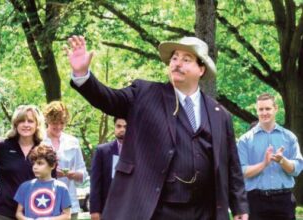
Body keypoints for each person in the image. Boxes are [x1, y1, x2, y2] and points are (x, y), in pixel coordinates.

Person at [66, 35, 249, 220]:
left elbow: (231, 165)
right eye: (175, 58)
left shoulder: (219, 113)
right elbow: (109, 99)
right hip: (156, 209)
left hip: (204, 211)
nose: (177, 63)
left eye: (186, 59)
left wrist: (240, 207)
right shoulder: (145, 94)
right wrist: (83, 76)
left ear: (201, 69)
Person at [237, 93, 303, 220]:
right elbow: (241, 171)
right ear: (256, 110)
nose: (264, 112)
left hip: (284, 200)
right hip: (255, 201)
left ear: (275, 109)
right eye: (261, 109)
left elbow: (297, 169)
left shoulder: (289, 137)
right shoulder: (245, 140)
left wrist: (282, 161)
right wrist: (264, 164)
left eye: (268, 108)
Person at [0, 105, 44, 220]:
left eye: (30, 121)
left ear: (37, 125)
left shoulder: (44, 150)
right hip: (4, 211)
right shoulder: (2, 146)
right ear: (15, 124)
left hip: (35, 211)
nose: (26, 125)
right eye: (22, 121)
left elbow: (52, 181)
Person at [43, 101, 88, 220]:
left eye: (62, 123)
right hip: (43, 202)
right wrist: (50, 173)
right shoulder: (39, 141)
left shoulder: (73, 142)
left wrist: (73, 174)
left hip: (69, 203)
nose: (58, 126)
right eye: (54, 123)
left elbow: (83, 173)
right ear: (47, 120)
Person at [14, 143, 71, 220]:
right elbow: (18, 213)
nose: (35, 167)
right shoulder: (25, 186)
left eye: (40, 163)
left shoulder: (61, 187)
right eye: (33, 164)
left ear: (52, 165)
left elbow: (67, 215)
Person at [89, 117, 127, 220]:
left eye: (125, 127)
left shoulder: (138, 152)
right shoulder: (102, 151)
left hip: (131, 207)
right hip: (107, 207)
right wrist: (95, 210)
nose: (122, 129)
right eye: (118, 126)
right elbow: (95, 182)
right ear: (114, 127)